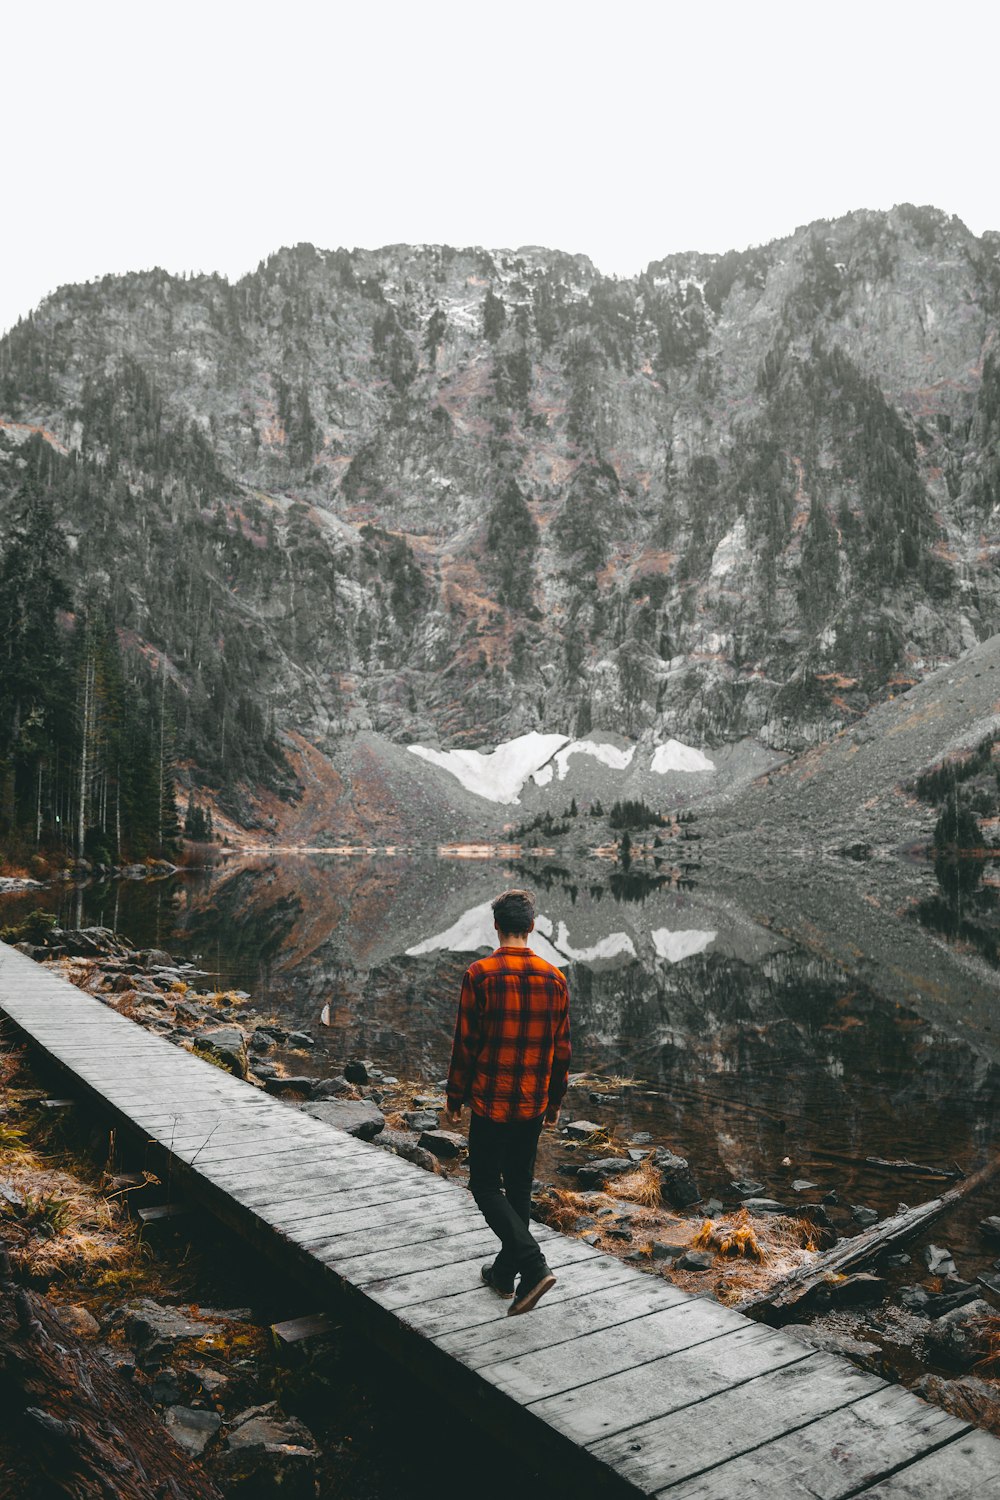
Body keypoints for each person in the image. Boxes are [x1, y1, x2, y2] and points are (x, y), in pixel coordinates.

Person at [443, 887, 571, 1316]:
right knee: (517, 1185)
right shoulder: (556, 978)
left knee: (483, 1183)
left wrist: (454, 1096)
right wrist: (554, 1102)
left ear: (496, 926)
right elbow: (561, 1050)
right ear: (531, 928)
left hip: (491, 1100)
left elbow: (466, 1044)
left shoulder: (480, 975)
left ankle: (532, 1265)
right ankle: (503, 1274)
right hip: (533, 1102)